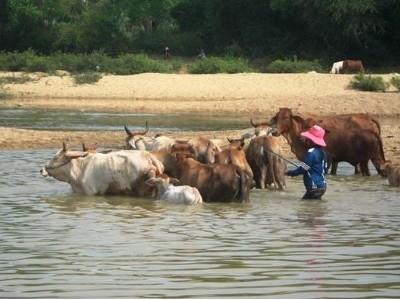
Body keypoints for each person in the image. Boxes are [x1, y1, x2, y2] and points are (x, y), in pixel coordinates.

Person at [286, 125, 328, 200]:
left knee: (304, 206)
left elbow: (303, 168)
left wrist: (291, 173)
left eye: (308, 139)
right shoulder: (323, 152)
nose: (306, 140)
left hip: (313, 188)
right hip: (322, 186)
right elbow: (324, 168)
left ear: (311, 140)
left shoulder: (311, 153)